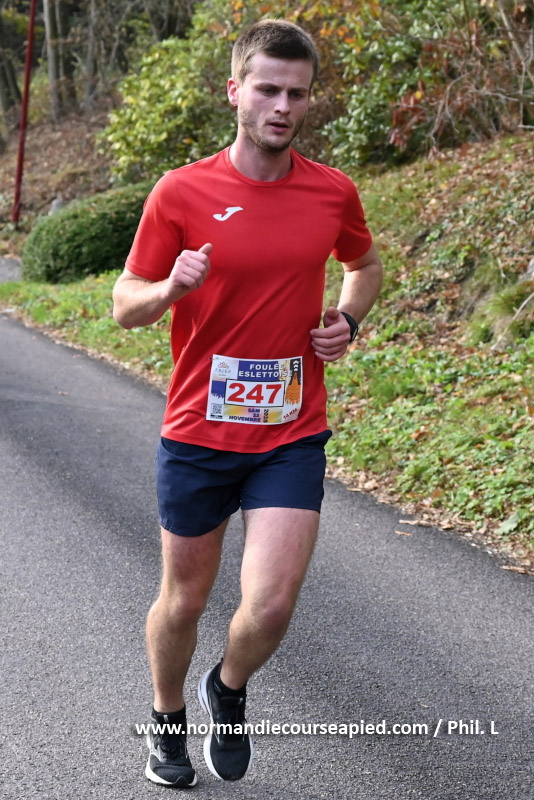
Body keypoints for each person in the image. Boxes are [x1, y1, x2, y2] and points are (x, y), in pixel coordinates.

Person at [113, 18, 382, 788]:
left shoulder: (332, 191)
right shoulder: (181, 191)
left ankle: (226, 689)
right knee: (184, 600)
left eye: (297, 93)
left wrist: (347, 320)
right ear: (235, 91)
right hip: (199, 432)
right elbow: (124, 305)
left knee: (269, 606)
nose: (282, 106)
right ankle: (167, 719)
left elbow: (364, 265)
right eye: (267, 89)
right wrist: (169, 288)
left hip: (290, 431)